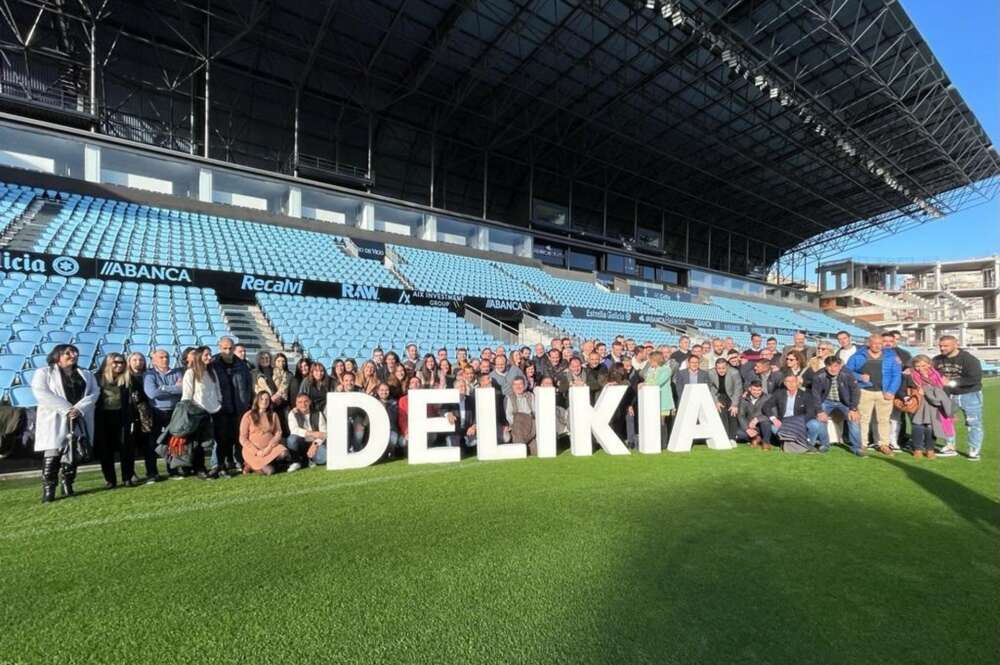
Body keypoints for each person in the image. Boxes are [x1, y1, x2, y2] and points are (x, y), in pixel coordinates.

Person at [31, 344, 99, 503]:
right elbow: (41, 393)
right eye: (68, 353)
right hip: (55, 417)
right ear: (57, 356)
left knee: (73, 452)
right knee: (53, 453)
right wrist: (68, 409)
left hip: (79, 417)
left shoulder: (86, 374)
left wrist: (79, 409)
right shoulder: (44, 373)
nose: (73, 355)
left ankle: (68, 484)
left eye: (75, 352)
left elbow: (95, 392)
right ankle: (49, 489)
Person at [846, 334, 901, 456]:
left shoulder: (891, 356)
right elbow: (847, 371)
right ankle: (863, 444)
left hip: (884, 392)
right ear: (869, 344)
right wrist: (859, 377)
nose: (877, 346)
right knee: (864, 420)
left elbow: (896, 375)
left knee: (884, 420)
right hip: (865, 391)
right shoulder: (858, 356)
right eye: (874, 343)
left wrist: (891, 391)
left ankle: (884, 444)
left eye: (880, 343)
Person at [95, 353, 143, 489]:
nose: (119, 365)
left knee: (126, 448)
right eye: (115, 362)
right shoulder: (97, 378)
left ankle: (128, 477)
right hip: (103, 418)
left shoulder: (128, 379)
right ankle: (110, 480)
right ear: (108, 363)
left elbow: (139, 397)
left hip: (123, 417)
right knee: (106, 451)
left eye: (122, 363)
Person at [932, 335, 983, 460]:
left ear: (956, 345)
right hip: (947, 395)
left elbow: (974, 379)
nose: (942, 348)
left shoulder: (969, 359)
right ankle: (950, 446)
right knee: (945, 421)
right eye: (940, 346)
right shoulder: (937, 360)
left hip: (970, 394)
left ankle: (974, 449)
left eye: (945, 346)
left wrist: (951, 382)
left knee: (973, 423)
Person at [210, 336, 253, 474]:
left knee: (238, 437)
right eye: (225, 348)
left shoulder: (242, 365)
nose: (228, 351)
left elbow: (248, 385)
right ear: (219, 348)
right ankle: (218, 464)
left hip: (240, 408)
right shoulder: (214, 364)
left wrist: (247, 403)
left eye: (230, 348)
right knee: (222, 438)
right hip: (221, 408)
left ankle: (237, 461)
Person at [180, 346, 221, 477]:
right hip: (198, 412)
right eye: (206, 355)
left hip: (214, 410)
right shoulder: (190, 373)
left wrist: (219, 402)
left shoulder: (212, 372)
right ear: (199, 357)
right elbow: (186, 396)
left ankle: (217, 466)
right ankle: (200, 468)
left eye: (210, 355)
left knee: (216, 440)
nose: (209, 357)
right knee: (197, 443)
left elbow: (217, 390)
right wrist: (193, 411)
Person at [144, 349, 184, 479]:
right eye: (161, 357)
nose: (165, 359)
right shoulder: (149, 375)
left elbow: (183, 389)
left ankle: (173, 470)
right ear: (154, 360)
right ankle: (152, 473)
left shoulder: (177, 372)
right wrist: (173, 389)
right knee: (152, 443)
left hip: (174, 411)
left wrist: (163, 388)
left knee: (173, 442)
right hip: (156, 412)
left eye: (166, 356)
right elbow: (152, 393)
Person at [809, 356, 862, 456]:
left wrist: (853, 408)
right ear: (825, 366)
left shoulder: (848, 374)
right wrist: (820, 411)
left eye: (836, 366)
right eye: (829, 366)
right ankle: (824, 444)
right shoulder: (818, 376)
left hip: (844, 402)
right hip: (826, 401)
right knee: (821, 419)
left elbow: (855, 391)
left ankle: (857, 448)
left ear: (840, 366)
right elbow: (815, 395)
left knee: (854, 419)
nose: (833, 369)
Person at [907, 355, 956, 460]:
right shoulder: (911, 375)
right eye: (917, 366)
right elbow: (908, 388)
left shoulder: (937, 375)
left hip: (934, 405)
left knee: (931, 427)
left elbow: (943, 390)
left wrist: (927, 386)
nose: (920, 368)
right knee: (917, 426)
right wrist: (917, 392)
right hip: (919, 403)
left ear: (929, 364)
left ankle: (930, 450)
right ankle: (918, 449)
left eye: (923, 365)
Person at [240, 391, 296, 475]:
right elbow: (243, 438)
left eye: (267, 399)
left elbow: (278, 433)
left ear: (269, 402)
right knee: (270, 471)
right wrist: (256, 451)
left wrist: (269, 447)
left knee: (284, 453)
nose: (264, 401)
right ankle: (250, 465)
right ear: (257, 400)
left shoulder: (273, 415)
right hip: (253, 451)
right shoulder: (248, 415)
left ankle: (270, 462)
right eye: (261, 399)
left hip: (270, 448)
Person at [761, 374, 821, 453]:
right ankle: (796, 445)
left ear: (797, 383)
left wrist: (797, 422)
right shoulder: (779, 393)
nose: (791, 384)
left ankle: (809, 444)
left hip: (800, 421)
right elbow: (766, 406)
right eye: (788, 382)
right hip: (784, 422)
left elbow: (810, 413)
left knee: (815, 424)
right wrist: (774, 419)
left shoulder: (806, 395)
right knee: (773, 427)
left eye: (793, 381)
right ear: (785, 383)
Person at [286, 393, 327, 467]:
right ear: (296, 403)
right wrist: (312, 433)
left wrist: (315, 445)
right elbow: (294, 430)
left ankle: (310, 459)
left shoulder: (318, 413)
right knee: (292, 439)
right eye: (300, 402)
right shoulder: (292, 414)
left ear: (310, 402)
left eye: (306, 401)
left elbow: (324, 433)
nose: (303, 404)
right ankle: (296, 461)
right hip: (301, 442)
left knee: (325, 457)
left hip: (314, 442)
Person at [643, 351, 674, 449]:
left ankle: (663, 443)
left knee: (661, 421)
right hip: (651, 399)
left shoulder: (666, 369)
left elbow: (658, 382)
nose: (650, 362)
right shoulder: (651, 369)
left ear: (656, 360)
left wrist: (645, 384)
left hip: (663, 399)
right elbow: (647, 379)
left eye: (651, 360)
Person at [708, 357, 742, 441]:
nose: (721, 370)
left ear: (727, 367)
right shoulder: (710, 373)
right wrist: (715, 401)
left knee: (732, 414)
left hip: (732, 395)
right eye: (718, 368)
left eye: (723, 368)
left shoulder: (734, 372)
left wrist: (734, 404)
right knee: (721, 413)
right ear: (715, 368)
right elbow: (710, 388)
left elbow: (738, 389)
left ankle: (732, 438)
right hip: (719, 395)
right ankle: (724, 437)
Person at [504, 377, 536, 455]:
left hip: (530, 423)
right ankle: (521, 445)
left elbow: (535, 411)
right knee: (518, 417)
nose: (518, 386)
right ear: (512, 386)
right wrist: (516, 424)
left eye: (520, 384)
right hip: (516, 424)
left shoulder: (531, 395)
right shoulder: (508, 398)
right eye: (515, 384)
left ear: (524, 385)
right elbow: (508, 415)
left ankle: (526, 444)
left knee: (536, 451)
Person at [444, 378, 477, 451]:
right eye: (460, 386)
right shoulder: (449, 400)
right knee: (453, 448)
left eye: (464, 386)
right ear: (455, 389)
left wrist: (474, 426)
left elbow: (477, 414)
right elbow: (442, 410)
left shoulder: (471, 400)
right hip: (455, 431)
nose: (463, 388)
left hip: (468, 430)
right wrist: (448, 414)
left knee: (474, 442)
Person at [737, 381, 771, 449]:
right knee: (737, 434)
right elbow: (741, 415)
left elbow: (773, 414)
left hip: (762, 426)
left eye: (759, 390)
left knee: (766, 423)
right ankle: (755, 438)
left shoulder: (768, 398)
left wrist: (757, 419)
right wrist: (747, 429)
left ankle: (766, 443)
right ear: (750, 389)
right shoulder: (744, 399)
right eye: (754, 390)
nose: (756, 392)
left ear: (762, 389)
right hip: (749, 425)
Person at [375, 382, 404, 458]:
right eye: (381, 390)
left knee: (393, 438)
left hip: (392, 429)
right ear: (377, 391)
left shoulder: (394, 403)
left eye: (386, 390)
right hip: (377, 430)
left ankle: (391, 453)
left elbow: (394, 418)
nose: (384, 392)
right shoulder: (373, 402)